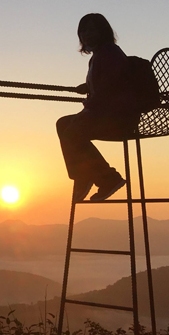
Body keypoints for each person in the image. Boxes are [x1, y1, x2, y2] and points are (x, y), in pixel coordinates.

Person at [56, 13, 139, 202]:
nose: (87, 34)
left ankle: (107, 178)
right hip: (109, 115)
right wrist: (88, 87)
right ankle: (84, 175)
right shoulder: (101, 55)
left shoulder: (109, 53)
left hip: (118, 119)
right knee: (64, 124)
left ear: (103, 31)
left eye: (92, 29)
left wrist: (86, 111)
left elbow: (109, 91)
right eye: (83, 31)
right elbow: (107, 84)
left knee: (72, 132)